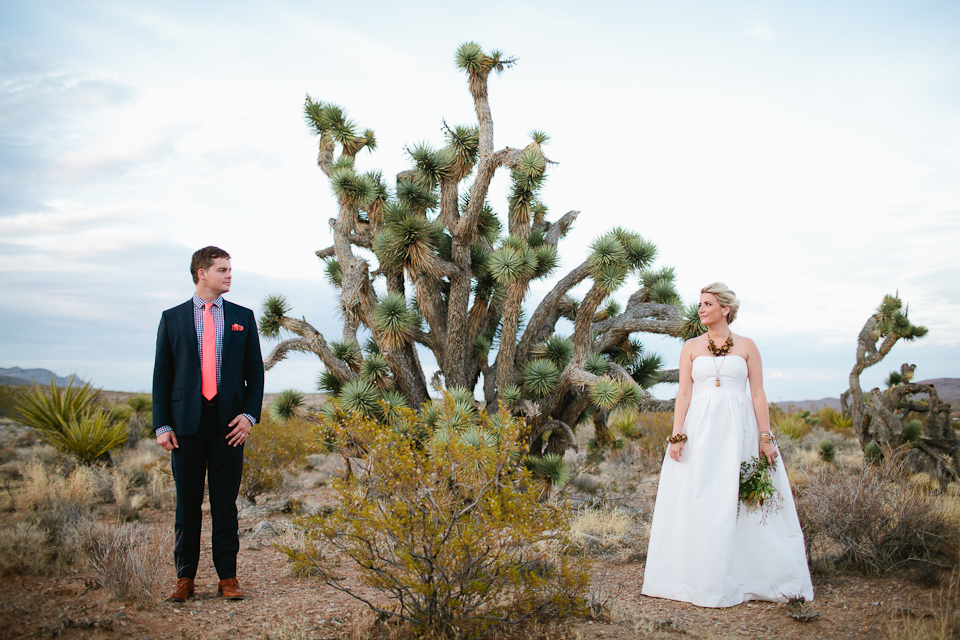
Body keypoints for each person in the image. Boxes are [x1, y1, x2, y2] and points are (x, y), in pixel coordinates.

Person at [641, 283, 813, 608]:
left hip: (740, 429)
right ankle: (697, 577)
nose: (701, 309)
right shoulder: (691, 347)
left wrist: (765, 436)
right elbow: (684, 394)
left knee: (740, 499)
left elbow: (759, 394)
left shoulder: (748, 346)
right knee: (700, 496)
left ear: (726, 308)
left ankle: (752, 576)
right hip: (701, 429)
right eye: (700, 304)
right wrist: (676, 436)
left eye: (708, 304)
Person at [153, 246, 264, 602]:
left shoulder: (242, 318)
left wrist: (248, 417)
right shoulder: (172, 319)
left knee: (224, 504)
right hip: (185, 426)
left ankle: (228, 577)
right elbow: (162, 377)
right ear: (202, 273)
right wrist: (161, 425)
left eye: (230, 269)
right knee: (187, 505)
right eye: (222, 269)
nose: (229, 275)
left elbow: (255, 374)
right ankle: (184, 578)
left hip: (228, 427)